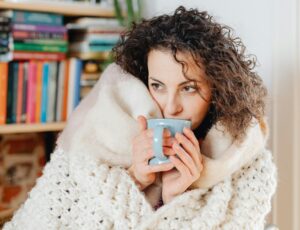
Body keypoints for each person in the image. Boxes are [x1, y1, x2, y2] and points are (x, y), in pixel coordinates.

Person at [4, 6, 277, 230]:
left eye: (189, 88)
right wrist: (134, 178)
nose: (171, 107)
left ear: (217, 90)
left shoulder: (243, 160)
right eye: (157, 85)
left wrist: (176, 198)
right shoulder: (97, 137)